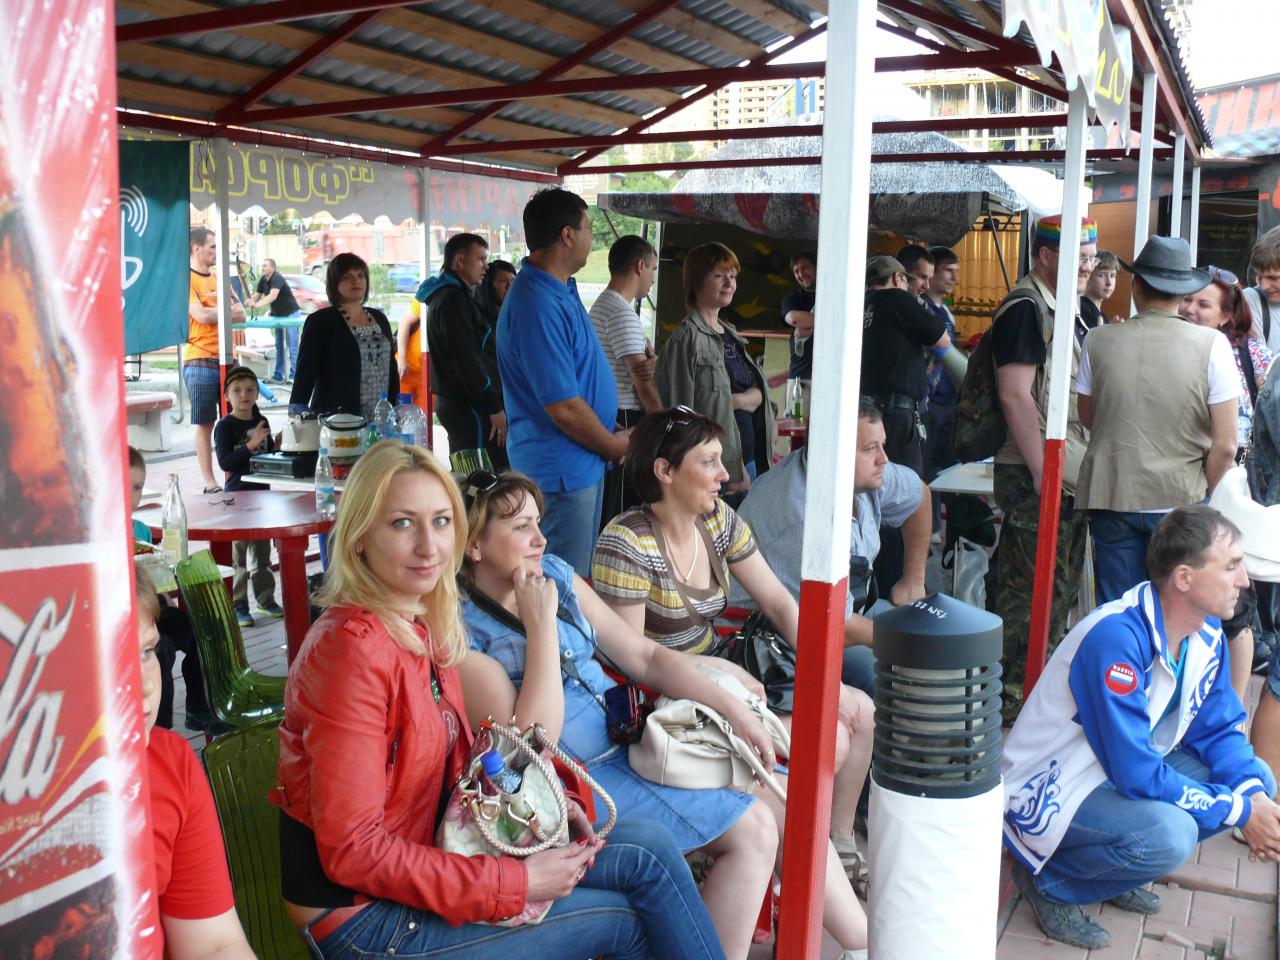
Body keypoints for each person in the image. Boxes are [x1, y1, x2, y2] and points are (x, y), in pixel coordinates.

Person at [273, 440, 726, 960]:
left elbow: (462, 762)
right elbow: (354, 853)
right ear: (358, 538)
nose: (428, 547)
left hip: (439, 851)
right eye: (402, 524)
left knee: (650, 849)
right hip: (366, 919)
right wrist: (516, 882)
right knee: (622, 921)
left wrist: (538, 813)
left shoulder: (423, 622)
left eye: (441, 522)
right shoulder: (348, 654)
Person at [458, 471, 776, 960]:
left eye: (539, 522)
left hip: (633, 743)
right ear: (474, 546)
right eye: (521, 527)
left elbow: (643, 656)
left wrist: (733, 709)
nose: (540, 539)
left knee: (772, 796)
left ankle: (851, 936)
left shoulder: (554, 574)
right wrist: (541, 630)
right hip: (572, 788)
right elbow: (531, 748)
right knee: (754, 828)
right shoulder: (465, 632)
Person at [591, 408, 875, 907]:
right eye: (709, 462)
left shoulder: (717, 519)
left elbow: (779, 603)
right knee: (829, 738)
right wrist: (711, 671)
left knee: (862, 711)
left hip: (725, 671)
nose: (726, 474)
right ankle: (795, 860)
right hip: (669, 699)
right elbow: (633, 658)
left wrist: (820, 671)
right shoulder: (626, 541)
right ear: (665, 471)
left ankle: (836, 842)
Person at [1002, 506, 1280, 950]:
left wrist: (1253, 801)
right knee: (1171, 836)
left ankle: (1111, 871)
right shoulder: (1115, 638)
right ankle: (1050, 883)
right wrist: (1241, 813)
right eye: (1231, 566)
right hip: (1052, 787)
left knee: (1257, 780)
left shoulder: (1206, 632)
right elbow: (1137, 772)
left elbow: (1219, 732)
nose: (1245, 580)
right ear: (1184, 578)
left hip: (1110, 773)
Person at [733, 397, 932, 700]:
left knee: (933, 633)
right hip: (770, 640)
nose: (884, 459)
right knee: (900, 675)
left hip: (844, 613)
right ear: (833, 452)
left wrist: (913, 581)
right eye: (870, 449)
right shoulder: (802, 517)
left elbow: (920, 496)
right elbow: (831, 624)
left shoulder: (862, 472)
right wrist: (906, 641)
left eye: (882, 445)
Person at [1077, 236, 1237, 604]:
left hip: (1113, 492)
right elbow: (1227, 445)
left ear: (1135, 286)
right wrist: (1205, 494)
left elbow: (1088, 417)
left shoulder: (1097, 340)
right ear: (1183, 294)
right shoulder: (1212, 345)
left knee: (1121, 609)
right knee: (1180, 609)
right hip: (1182, 497)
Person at [989, 214, 1096, 722]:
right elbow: (1015, 394)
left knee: (1057, 590)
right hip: (1035, 469)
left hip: (1063, 469)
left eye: (1091, 258)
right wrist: (1040, 471)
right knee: (1027, 592)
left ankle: (1032, 693)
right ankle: (1008, 698)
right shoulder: (1026, 308)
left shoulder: (1066, 307)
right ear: (1046, 255)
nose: (1087, 267)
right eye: (1078, 257)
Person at [497, 188, 627, 576]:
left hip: (583, 461)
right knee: (562, 584)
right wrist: (612, 445)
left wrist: (609, 436)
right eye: (588, 229)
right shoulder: (536, 303)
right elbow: (563, 406)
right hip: (560, 472)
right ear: (567, 235)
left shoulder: (560, 288)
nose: (592, 238)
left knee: (578, 578)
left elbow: (579, 377)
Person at [134, 563, 257, 959]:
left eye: (147, 652)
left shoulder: (168, 764)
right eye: (108, 656)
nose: (146, 686)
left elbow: (215, 945)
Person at [654, 243, 774, 492]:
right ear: (696, 281)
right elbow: (680, 413)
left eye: (733, 276)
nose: (729, 283)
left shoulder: (730, 333)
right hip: (719, 469)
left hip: (750, 459)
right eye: (719, 275)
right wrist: (724, 468)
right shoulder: (686, 338)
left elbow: (759, 393)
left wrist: (737, 400)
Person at [418, 233, 508, 470]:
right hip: (468, 405)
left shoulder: (453, 295)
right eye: (480, 259)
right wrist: (493, 406)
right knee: (479, 476)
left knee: (468, 471)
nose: (486, 266)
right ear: (459, 260)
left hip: (460, 402)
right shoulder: (452, 299)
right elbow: (466, 358)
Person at [591, 235, 662, 524]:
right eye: (653, 269)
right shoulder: (621, 313)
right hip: (626, 416)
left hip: (611, 413)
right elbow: (642, 381)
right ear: (639, 266)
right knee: (622, 511)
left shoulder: (603, 305)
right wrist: (663, 424)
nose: (653, 277)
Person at [860, 255, 949, 476]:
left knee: (871, 479)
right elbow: (941, 339)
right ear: (896, 277)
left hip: (863, 408)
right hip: (895, 411)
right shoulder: (897, 298)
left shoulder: (859, 304)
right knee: (908, 484)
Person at [213, 365, 285, 628]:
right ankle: (239, 604)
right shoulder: (224, 426)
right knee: (239, 556)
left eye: (250, 390)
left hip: (262, 496)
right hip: (238, 496)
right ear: (227, 395)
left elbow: (268, 458)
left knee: (262, 554)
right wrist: (250, 445)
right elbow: (226, 462)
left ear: (257, 393)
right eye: (237, 390)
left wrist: (278, 447)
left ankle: (265, 599)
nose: (244, 395)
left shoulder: (261, 421)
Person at [290, 252, 398, 418]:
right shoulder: (321, 321)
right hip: (338, 420)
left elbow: (391, 368)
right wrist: (297, 410)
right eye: (347, 277)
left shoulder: (379, 318)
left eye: (360, 275)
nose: (356, 281)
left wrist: (396, 407)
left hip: (381, 418)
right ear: (335, 283)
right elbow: (305, 372)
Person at [185, 227, 245, 494]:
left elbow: (242, 313)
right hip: (199, 359)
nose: (216, 252)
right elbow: (201, 316)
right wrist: (223, 312)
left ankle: (236, 476)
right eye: (212, 246)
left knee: (236, 419)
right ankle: (210, 481)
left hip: (227, 357)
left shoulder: (220, 279)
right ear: (196, 248)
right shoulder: (186, 280)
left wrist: (215, 312)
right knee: (205, 422)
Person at [923, 245, 960, 533]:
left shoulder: (946, 312)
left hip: (949, 402)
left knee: (951, 468)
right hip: (928, 402)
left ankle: (959, 532)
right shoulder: (920, 309)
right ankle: (931, 527)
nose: (954, 278)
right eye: (948, 271)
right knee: (927, 469)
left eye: (956, 272)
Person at [246, 258, 302, 384]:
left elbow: (273, 296)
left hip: (291, 314)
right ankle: (278, 375)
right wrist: (250, 301)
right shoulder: (263, 280)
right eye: (262, 265)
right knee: (279, 346)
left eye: (265, 265)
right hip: (278, 315)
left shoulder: (277, 278)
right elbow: (257, 295)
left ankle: (295, 375)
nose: (262, 267)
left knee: (292, 346)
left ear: (273, 268)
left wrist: (258, 305)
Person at [781, 251, 817, 414]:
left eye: (805, 268)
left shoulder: (834, 294)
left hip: (833, 378)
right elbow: (794, 319)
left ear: (817, 267)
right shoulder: (793, 298)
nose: (801, 274)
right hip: (801, 378)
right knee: (798, 425)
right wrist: (832, 323)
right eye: (796, 271)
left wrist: (810, 325)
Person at [1245, 225, 1280, 356]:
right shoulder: (1252, 300)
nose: (1264, 286)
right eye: (1259, 276)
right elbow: (1259, 365)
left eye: (1273, 278)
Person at [1079, 250, 1118, 336]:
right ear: (1088, 275)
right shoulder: (1082, 310)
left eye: (1112, 275)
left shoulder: (1101, 315)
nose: (1109, 283)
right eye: (1101, 275)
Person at [475, 258, 516, 327]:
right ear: (488, 285)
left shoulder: (517, 315)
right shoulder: (478, 317)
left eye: (513, 281)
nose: (509, 286)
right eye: (503, 281)